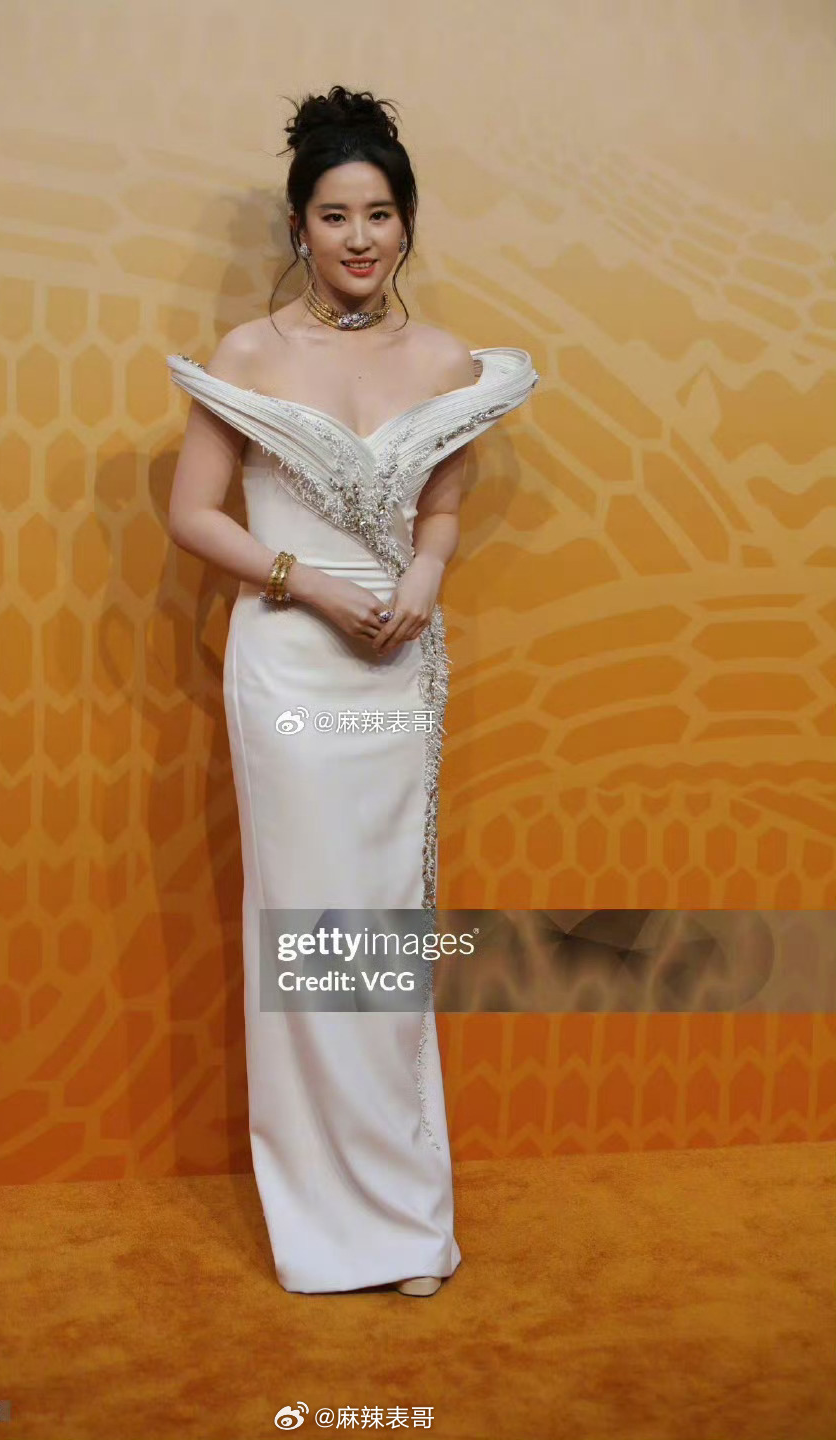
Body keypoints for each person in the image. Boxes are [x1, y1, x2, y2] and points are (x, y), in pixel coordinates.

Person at [166, 85, 538, 1297]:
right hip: (288, 660)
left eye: (379, 214)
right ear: (299, 228)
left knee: (380, 935)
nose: (360, 237)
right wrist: (312, 586)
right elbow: (193, 514)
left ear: (407, 223)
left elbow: (442, 509)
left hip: (398, 666)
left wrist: (424, 576)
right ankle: (324, 1225)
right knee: (306, 930)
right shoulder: (251, 355)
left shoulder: (445, 361)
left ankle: (406, 1222)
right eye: (335, 216)